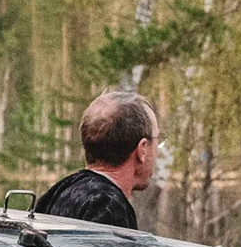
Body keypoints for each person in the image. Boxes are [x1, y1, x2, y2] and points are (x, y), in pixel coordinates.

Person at [36, 90, 158, 228]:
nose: (157, 151)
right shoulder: (107, 207)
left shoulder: (62, 191)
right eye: (156, 141)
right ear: (142, 149)